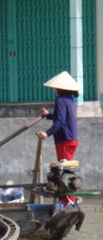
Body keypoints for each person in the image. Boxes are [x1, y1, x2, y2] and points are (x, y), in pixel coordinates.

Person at [35, 71, 79, 206]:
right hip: (71, 139)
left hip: (64, 139)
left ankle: (68, 201)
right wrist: (48, 115)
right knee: (63, 171)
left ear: (60, 88)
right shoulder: (70, 100)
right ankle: (65, 199)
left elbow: (60, 122)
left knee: (63, 173)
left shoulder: (60, 100)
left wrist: (47, 133)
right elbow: (60, 117)